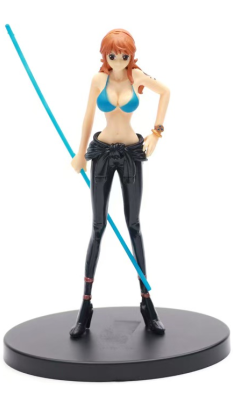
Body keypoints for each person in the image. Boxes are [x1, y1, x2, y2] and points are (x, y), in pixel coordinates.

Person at [69, 29, 170, 338]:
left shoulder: (135, 76)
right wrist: (80, 153)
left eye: (124, 56)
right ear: (105, 55)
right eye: (112, 55)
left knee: (134, 225)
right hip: (101, 154)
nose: (118, 61)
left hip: (130, 155)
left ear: (131, 56)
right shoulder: (98, 80)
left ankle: (147, 304)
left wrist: (156, 133)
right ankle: (85, 307)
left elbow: (165, 92)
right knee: (97, 227)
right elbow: (88, 117)